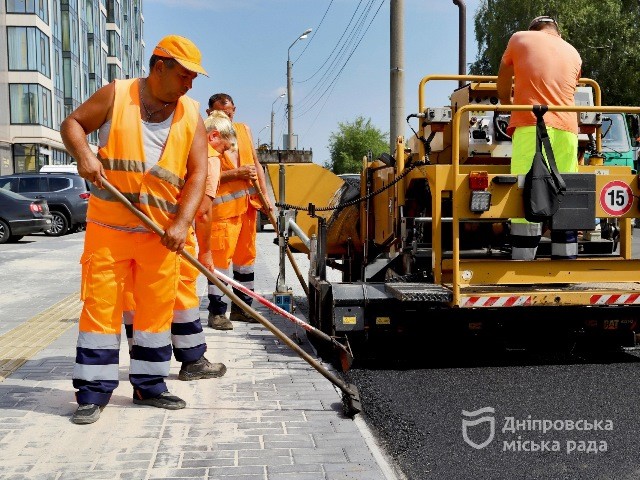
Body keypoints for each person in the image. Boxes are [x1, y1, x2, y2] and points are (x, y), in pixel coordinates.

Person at [61, 34, 209, 425]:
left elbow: (197, 176)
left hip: (159, 236)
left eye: (194, 78)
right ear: (159, 67)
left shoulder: (193, 114)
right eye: (185, 75)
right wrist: (85, 154)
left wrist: (181, 223)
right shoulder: (117, 94)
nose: (190, 84)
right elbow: (72, 124)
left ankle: (150, 386)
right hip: (109, 231)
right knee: (100, 311)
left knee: (155, 314)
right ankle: (92, 393)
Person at [121, 114, 233, 380]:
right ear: (213, 137)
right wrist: (205, 252)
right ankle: (192, 360)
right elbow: (203, 212)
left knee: (138, 298)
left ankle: (142, 359)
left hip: (144, 234)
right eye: (225, 148)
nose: (223, 155)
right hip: (178, 237)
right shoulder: (208, 159)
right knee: (183, 298)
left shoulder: (168, 149)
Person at [497, 15, 582, 261]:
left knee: (527, 191)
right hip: (567, 130)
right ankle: (565, 263)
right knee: (562, 191)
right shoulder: (573, 51)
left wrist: (507, 103)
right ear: (557, 31)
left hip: (531, 124)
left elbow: (504, 79)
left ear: (532, 28)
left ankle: (523, 263)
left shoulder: (520, 38)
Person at [204, 94, 271, 330]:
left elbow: (255, 164)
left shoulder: (243, 130)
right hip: (222, 212)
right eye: (221, 112)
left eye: (230, 112)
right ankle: (218, 312)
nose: (227, 116)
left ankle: (244, 309)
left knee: (246, 261)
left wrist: (266, 199)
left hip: (247, 209)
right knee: (220, 263)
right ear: (209, 112)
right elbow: (201, 175)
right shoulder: (206, 135)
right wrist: (236, 174)